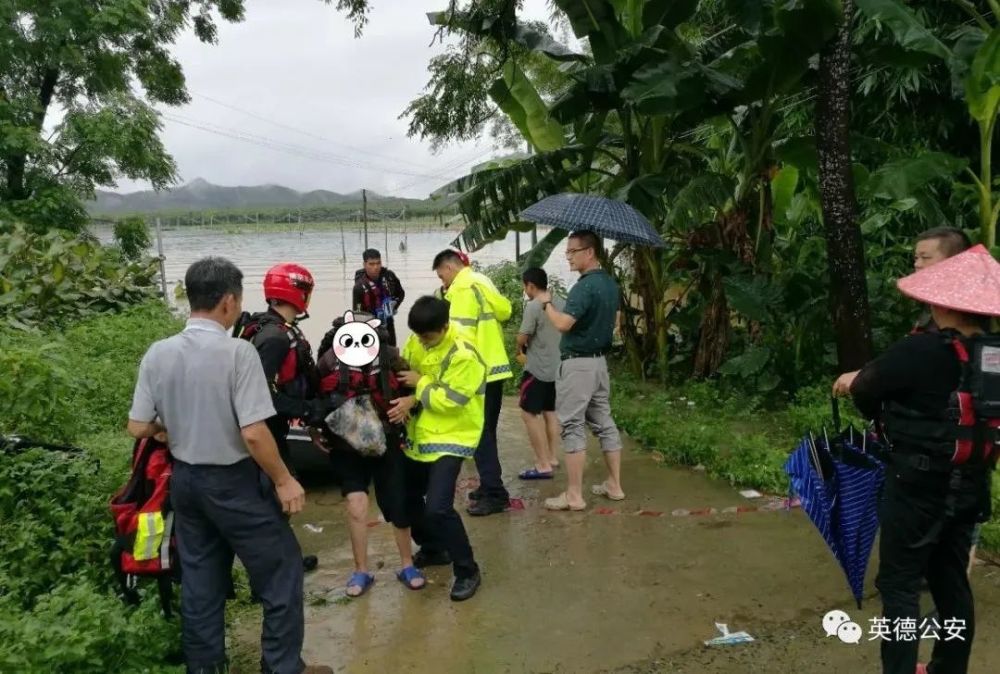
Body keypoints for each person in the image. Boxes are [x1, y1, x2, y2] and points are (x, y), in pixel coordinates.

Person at [127, 257, 331, 674]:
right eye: (237, 300)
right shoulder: (238, 353)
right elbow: (254, 433)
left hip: (186, 483)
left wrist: (171, 427)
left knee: (202, 581)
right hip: (234, 483)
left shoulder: (158, 353)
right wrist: (284, 480)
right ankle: (282, 667)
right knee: (281, 570)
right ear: (227, 301)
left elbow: (138, 426)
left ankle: (205, 668)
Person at [832, 245, 998, 674]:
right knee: (952, 584)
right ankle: (948, 668)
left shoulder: (918, 351)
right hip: (971, 486)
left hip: (916, 487)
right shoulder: (994, 356)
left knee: (900, 586)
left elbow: (867, 390)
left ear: (941, 300)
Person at [313, 311, 425, 597]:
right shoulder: (329, 362)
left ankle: (407, 564)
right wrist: (314, 429)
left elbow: (417, 390)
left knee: (397, 502)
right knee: (356, 504)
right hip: (345, 446)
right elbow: (315, 399)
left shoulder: (390, 358)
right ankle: (361, 570)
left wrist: (410, 404)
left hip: (386, 441)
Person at [388, 295, 485, 601]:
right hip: (420, 435)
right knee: (406, 498)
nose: (422, 342)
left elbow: (451, 400)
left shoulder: (463, 352)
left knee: (439, 507)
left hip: (453, 436)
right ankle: (433, 548)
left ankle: (467, 570)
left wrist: (419, 386)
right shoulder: (418, 341)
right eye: (417, 335)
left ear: (444, 327)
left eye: (427, 336)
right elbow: (407, 376)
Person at [235, 263, 329, 572]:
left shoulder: (270, 327)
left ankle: (280, 558)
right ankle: (271, 566)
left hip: (272, 426)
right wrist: (306, 410)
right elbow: (259, 395)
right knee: (281, 493)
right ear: (298, 293)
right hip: (264, 430)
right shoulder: (274, 337)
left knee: (275, 497)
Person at [534, 231, 624, 511]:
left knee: (572, 425)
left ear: (590, 252)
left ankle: (573, 495)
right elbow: (617, 319)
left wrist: (546, 303)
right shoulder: (610, 284)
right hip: (599, 364)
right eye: (567, 252)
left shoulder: (584, 287)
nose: (568, 256)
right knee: (604, 422)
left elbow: (563, 324)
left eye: (573, 251)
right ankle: (614, 485)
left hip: (578, 364)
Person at [432, 249, 513, 517]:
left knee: (479, 434)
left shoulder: (463, 289)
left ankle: (495, 493)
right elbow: (506, 310)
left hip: (477, 371)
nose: (441, 280)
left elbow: (459, 337)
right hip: (494, 368)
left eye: (441, 273)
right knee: (486, 431)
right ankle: (489, 485)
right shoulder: (482, 281)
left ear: (449, 268)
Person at [515, 267, 563, 479]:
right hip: (558, 368)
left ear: (531, 286)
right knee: (550, 412)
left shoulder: (534, 306)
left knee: (528, 413)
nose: (525, 290)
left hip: (537, 369)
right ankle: (552, 457)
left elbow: (522, 337)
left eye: (525, 286)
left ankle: (543, 465)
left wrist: (518, 349)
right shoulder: (561, 300)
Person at [353, 248, 406, 346]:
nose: (376, 267)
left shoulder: (389, 277)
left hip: (388, 323)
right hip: (370, 327)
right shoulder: (359, 287)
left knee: (392, 354)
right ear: (364, 265)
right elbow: (357, 312)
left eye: (378, 263)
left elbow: (401, 293)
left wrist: (395, 304)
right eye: (371, 264)